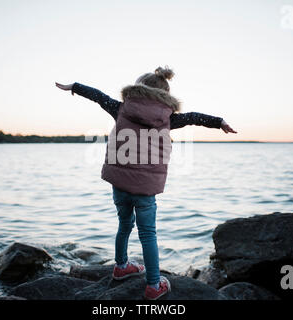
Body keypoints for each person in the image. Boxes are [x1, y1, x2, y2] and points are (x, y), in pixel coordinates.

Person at [56, 66, 237, 300]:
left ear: (137, 89)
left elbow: (98, 96)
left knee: (124, 224)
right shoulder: (168, 118)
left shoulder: (121, 109)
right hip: (144, 191)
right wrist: (219, 121)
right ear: (165, 95)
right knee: (148, 234)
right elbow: (194, 118)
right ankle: (153, 284)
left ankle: (121, 266)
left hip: (119, 185)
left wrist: (75, 87)